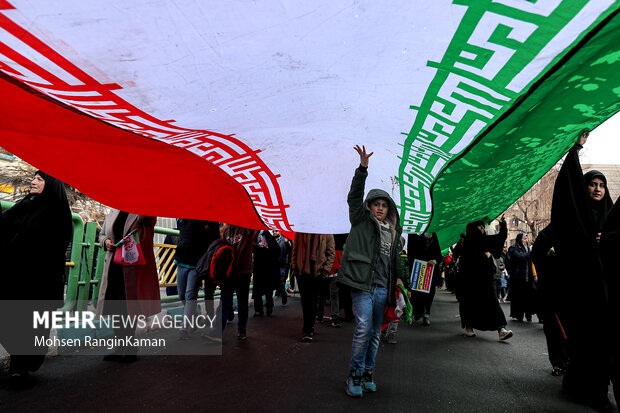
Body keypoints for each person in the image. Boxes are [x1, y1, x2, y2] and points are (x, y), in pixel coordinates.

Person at [549, 130, 614, 411]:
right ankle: (591, 392)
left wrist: (608, 240)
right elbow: (568, 191)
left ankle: (579, 384)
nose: (597, 188)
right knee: (589, 343)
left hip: (608, 292)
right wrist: (575, 150)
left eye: (602, 184)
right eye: (592, 184)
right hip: (584, 293)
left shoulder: (611, 217)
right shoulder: (581, 216)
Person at [338, 145, 408, 398]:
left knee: (375, 332)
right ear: (369, 206)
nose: (380, 208)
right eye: (376, 204)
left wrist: (400, 282)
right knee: (364, 328)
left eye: (384, 205)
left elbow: (396, 261)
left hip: (382, 288)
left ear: (389, 209)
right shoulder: (360, 219)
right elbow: (354, 197)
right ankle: (354, 375)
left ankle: (368, 372)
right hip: (361, 284)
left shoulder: (394, 232)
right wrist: (362, 169)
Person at [0, 171, 72, 388]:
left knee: (29, 325)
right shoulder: (26, 204)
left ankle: (19, 369)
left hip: (40, 281)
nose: (33, 181)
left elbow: (56, 246)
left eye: (40, 179)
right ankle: (21, 362)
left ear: (50, 185)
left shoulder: (58, 212)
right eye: (34, 177)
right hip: (14, 277)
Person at [97, 210, 161, 362]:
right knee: (114, 306)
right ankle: (120, 346)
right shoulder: (112, 211)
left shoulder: (141, 210)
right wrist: (106, 242)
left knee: (128, 307)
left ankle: (130, 345)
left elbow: (147, 218)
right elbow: (102, 234)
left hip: (131, 267)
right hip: (114, 265)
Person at [458, 218, 513, 341]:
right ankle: (469, 327)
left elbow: (499, 238)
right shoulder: (467, 243)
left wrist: (503, 225)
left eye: (483, 228)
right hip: (471, 280)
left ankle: (501, 329)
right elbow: (464, 263)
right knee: (471, 303)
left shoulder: (486, 241)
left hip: (486, 278)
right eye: (479, 228)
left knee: (492, 302)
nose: (482, 230)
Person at [531, 224, 569, 377]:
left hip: (581, 290)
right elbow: (536, 255)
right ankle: (559, 362)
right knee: (554, 328)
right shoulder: (548, 233)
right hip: (552, 289)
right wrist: (549, 252)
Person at [174, 219, 219, 339]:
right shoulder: (184, 216)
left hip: (198, 264)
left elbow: (215, 240)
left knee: (190, 295)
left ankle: (184, 329)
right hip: (181, 259)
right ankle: (194, 318)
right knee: (182, 295)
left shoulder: (211, 220)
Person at [291, 232, 335, 342]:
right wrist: (295, 267)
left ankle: (308, 329)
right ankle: (308, 327)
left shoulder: (326, 232)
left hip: (317, 273)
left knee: (313, 301)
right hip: (302, 272)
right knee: (305, 302)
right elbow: (295, 250)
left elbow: (331, 253)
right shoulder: (300, 231)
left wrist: (325, 271)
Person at [221, 224, 258, 340]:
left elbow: (257, 226)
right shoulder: (225, 230)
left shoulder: (247, 227)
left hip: (243, 271)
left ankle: (242, 329)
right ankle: (221, 331)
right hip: (229, 272)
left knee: (240, 302)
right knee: (227, 302)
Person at [408, 232, 443, 326]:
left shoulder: (435, 238)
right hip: (418, 271)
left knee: (430, 294)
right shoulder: (415, 236)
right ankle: (417, 312)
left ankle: (426, 315)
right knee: (418, 293)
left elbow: (439, 255)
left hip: (430, 273)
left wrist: (434, 261)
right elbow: (411, 253)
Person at [507, 234, 537, 322]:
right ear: (520, 239)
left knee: (528, 298)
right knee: (519, 298)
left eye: (527, 239)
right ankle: (519, 315)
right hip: (518, 278)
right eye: (524, 239)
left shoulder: (527, 248)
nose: (526, 241)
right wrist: (530, 253)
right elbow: (520, 257)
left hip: (528, 278)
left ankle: (528, 315)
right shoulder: (513, 248)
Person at [252, 230, 281, 317]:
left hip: (261, 269)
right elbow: (277, 251)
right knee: (266, 290)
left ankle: (259, 310)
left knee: (259, 291)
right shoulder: (268, 237)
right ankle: (267, 307)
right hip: (266, 269)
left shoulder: (256, 236)